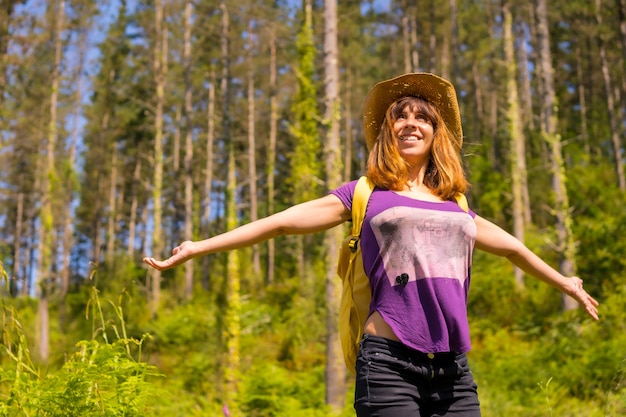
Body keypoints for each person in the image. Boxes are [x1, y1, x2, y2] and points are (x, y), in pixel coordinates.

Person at [143, 73, 599, 417]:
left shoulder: (457, 205)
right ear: (388, 131)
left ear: (436, 132)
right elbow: (281, 223)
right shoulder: (365, 195)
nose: (409, 124)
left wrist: (566, 282)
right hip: (387, 364)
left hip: (454, 371)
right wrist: (200, 246)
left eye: (421, 117)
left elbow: (515, 249)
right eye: (399, 116)